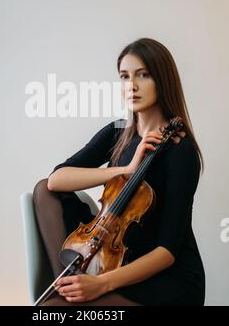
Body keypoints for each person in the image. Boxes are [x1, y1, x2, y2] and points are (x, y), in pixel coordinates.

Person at [33, 38, 205, 306]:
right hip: (115, 256)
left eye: (143, 75)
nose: (131, 86)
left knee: (52, 310)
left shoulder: (180, 151)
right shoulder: (117, 133)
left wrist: (101, 285)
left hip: (164, 279)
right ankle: (71, 286)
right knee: (44, 191)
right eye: (124, 77)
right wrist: (126, 170)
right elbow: (55, 181)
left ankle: (72, 294)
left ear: (162, 79)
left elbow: (167, 252)